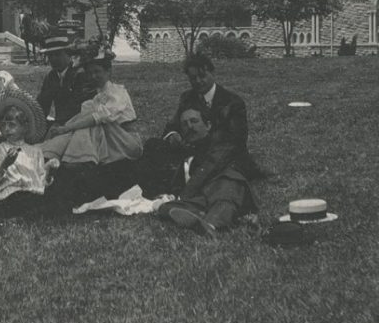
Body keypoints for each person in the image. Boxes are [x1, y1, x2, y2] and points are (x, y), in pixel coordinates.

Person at [140, 53, 266, 194]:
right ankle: (150, 189)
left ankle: (184, 190)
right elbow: (173, 125)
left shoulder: (232, 101)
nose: (198, 81)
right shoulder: (187, 97)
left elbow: (236, 139)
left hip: (222, 155)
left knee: (214, 163)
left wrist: (201, 141)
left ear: (212, 73)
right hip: (190, 151)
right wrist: (173, 135)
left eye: (202, 75)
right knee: (152, 145)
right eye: (193, 78)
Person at [156, 105, 257, 237]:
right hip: (201, 198)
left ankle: (210, 225)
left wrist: (182, 196)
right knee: (165, 207)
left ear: (208, 125)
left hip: (225, 190)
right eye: (184, 124)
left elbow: (210, 166)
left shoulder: (221, 144)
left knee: (226, 187)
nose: (190, 127)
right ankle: (199, 216)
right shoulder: (185, 152)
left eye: (194, 121)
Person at [37, 45, 143, 166]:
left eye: (97, 72)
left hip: (126, 142)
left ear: (108, 71)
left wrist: (67, 128)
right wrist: (63, 129)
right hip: (109, 142)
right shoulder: (96, 98)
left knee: (90, 125)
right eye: (90, 73)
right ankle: (52, 154)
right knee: (82, 124)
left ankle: (77, 160)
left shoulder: (117, 93)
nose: (93, 76)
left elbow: (98, 118)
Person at [0, 105, 57, 206]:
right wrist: (4, 166)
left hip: (32, 194)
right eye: (4, 125)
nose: (7, 129)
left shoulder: (35, 151)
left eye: (12, 125)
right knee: (16, 199)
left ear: (25, 128)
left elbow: (40, 181)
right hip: (8, 195)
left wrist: (48, 171)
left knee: (37, 199)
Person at [36, 33, 94, 126]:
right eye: (50, 55)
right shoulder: (51, 77)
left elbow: (76, 108)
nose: (53, 59)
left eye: (58, 54)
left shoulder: (80, 74)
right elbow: (42, 104)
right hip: (61, 123)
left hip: (80, 124)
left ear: (68, 54)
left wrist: (58, 124)